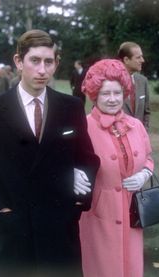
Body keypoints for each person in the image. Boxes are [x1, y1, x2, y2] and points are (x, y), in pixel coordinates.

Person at [0, 29, 100, 276]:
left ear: (56, 64)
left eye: (49, 62)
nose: (42, 70)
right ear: (19, 62)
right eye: (35, 61)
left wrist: (79, 201)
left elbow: (88, 158)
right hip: (16, 231)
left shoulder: (71, 106)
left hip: (61, 229)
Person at [79, 59, 154, 277]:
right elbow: (65, 162)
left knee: (130, 267)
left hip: (132, 213)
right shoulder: (83, 126)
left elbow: (149, 158)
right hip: (98, 215)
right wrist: (71, 173)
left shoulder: (136, 125)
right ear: (94, 95)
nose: (112, 99)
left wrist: (145, 173)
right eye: (105, 94)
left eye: (117, 93)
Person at [118, 42, 150, 130]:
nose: (142, 60)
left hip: (139, 138)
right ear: (126, 60)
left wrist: (144, 132)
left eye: (142, 56)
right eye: (138, 57)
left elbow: (146, 112)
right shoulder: (112, 82)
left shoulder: (143, 81)